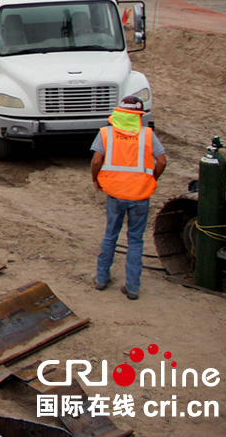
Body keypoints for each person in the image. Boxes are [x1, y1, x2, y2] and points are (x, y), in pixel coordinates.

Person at [90, 95, 167, 300]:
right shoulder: (147, 135)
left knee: (110, 235)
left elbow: (96, 161)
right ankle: (132, 287)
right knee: (135, 240)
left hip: (115, 193)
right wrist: (152, 179)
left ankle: (101, 279)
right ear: (139, 116)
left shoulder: (106, 134)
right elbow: (162, 161)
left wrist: (96, 180)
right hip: (140, 194)